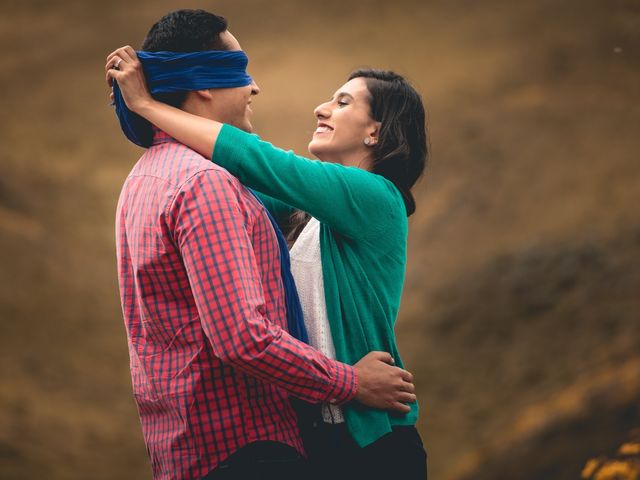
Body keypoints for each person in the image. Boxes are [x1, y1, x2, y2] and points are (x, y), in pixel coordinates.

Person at [107, 9, 417, 480]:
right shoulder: (310, 211)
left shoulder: (378, 199)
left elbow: (254, 158)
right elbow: (233, 173)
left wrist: (147, 106)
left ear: (376, 131)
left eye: (343, 102)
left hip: (371, 432)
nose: (322, 108)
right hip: (324, 431)